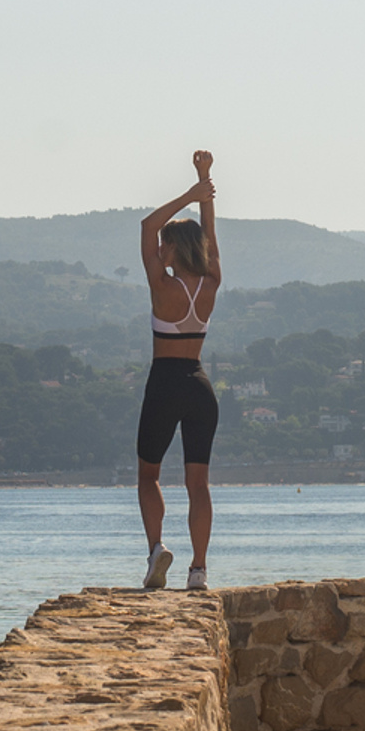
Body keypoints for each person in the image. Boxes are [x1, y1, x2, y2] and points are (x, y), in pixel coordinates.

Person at [136, 151, 219, 591]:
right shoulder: (212, 282)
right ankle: (199, 570)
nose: (160, 249)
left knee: (148, 475)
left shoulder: (162, 285)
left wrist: (190, 193)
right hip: (200, 385)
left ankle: (156, 551)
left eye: (166, 245)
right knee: (197, 484)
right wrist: (205, 185)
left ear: (174, 247)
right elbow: (210, 237)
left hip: (165, 381)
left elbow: (147, 227)